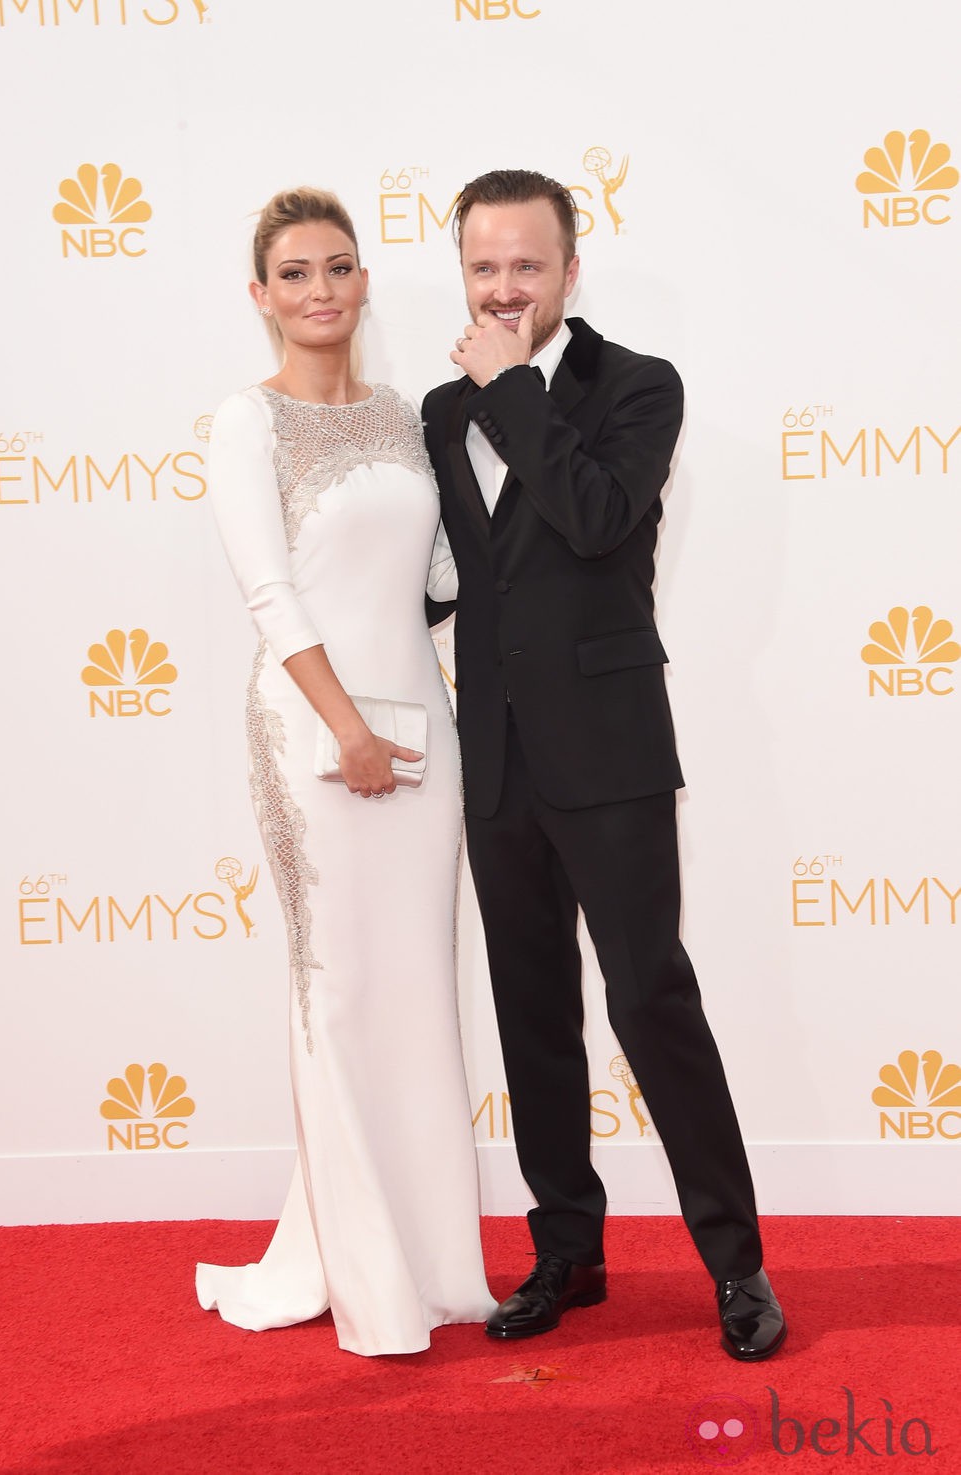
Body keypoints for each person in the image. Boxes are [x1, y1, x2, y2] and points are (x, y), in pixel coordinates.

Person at [421, 169, 786, 1361]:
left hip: (611, 748)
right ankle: (566, 1251)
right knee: (532, 1014)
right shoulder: (440, 409)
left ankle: (736, 1265)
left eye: (527, 265)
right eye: (484, 268)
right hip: (498, 756)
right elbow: (453, 578)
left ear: (570, 270)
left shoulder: (635, 386)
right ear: (462, 273)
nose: (505, 287)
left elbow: (589, 518)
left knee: (648, 999)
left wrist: (513, 389)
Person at [195, 186, 494, 1357]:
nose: (321, 290)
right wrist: (345, 728)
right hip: (310, 731)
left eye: (338, 266)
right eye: (295, 273)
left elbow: (432, 579)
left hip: (420, 724)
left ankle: (430, 1259)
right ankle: (365, 1274)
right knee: (335, 986)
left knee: (416, 984)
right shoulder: (247, 421)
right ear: (262, 296)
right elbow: (270, 592)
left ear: (363, 281)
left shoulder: (400, 415)